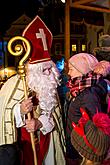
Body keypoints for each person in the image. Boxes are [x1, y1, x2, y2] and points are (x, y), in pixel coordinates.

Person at [0, 15, 66, 165]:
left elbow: (54, 115)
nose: (49, 73)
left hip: (47, 143)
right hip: (23, 145)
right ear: (34, 71)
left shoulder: (50, 85)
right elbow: (4, 114)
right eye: (45, 70)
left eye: (50, 68)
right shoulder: (13, 85)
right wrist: (20, 111)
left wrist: (40, 123)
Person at [66, 53, 110, 165]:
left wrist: (87, 155)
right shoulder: (81, 88)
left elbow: (95, 128)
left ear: (82, 71)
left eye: (71, 69)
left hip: (83, 151)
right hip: (77, 143)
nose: (68, 73)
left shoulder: (88, 94)